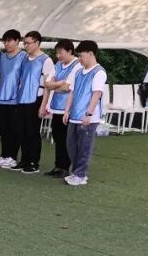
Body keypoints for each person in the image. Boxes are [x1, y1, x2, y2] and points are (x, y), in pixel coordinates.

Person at [61, 40, 106, 186]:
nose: (79, 59)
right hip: (74, 116)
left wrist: (89, 114)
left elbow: (96, 94)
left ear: (91, 54)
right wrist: (66, 111)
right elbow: (72, 92)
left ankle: (80, 175)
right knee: (71, 146)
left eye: (81, 56)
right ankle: (76, 172)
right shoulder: (78, 72)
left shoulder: (99, 72)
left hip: (88, 118)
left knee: (84, 147)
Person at [14, 31, 55, 174]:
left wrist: (43, 105)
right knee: (22, 131)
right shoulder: (25, 58)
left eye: (28, 43)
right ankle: (24, 160)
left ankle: (33, 162)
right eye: (24, 43)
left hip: (36, 99)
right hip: (22, 99)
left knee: (32, 132)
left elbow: (48, 85)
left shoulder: (46, 60)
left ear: (37, 43)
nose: (25, 45)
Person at [40, 40, 81, 178]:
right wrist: (59, 83)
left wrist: (55, 85)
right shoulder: (58, 64)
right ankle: (58, 166)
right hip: (56, 108)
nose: (58, 56)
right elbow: (47, 83)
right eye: (56, 53)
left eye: (60, 53)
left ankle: (65, 167)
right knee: (58, 138)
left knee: (66, 140)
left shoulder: (77, 65)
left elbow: (67, 87)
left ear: (69, 51)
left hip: (68, 110)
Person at [0, 29, 25, 168]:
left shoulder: (23, 56)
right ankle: (4, 155)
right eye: (4, 41)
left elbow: (24, 78)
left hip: (16, 100)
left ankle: (12, 157)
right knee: (3, 129)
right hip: (2, 98)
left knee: (14, 130)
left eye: (9, 41)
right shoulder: (2, 57)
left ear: (17, 41)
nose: (6, 44)